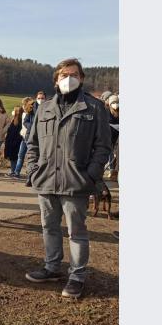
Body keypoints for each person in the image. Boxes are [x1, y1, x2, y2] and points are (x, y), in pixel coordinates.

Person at [24, 58, 111, 299]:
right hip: (46, 180)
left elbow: (103, 146)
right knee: (49, 227)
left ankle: (77, 276)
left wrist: (90, 175)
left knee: (76, 232)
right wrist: (33, 169)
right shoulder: (44, 108)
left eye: (73, 74)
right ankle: (52, 268)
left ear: (81, 78)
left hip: (76, 182)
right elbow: (32, 143)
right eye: (63, 75)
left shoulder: (94, 108)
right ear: (56, 80)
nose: (68, 78)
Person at [11, 97, 35, 178]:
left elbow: (27, 124)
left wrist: (30, 127)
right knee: (20, 156)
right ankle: (17, 172)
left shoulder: (31, 113)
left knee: (30, 157)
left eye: (24, 104)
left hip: (31, 138)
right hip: (24, 138)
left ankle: (30, 174)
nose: (23, 106)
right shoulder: (24, 113)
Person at [4, 106, 24, 177]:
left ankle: (14, 171)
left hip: (14, 142)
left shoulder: (19, 121)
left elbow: (16, 133)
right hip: (12, 141)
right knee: (14, 157)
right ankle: (14, 171)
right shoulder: (15, 120)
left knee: (14, 157)